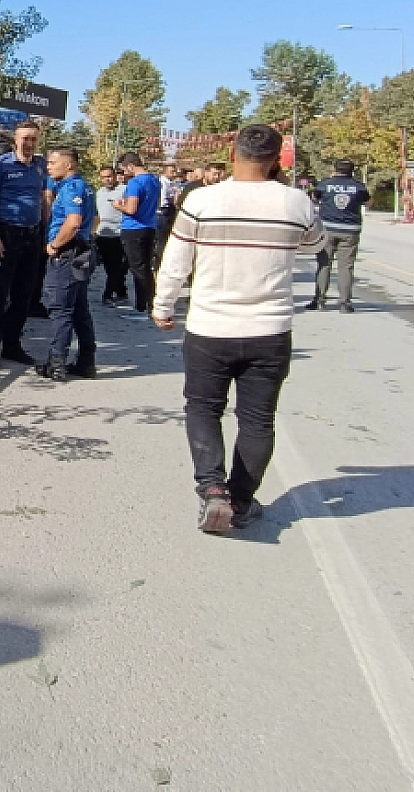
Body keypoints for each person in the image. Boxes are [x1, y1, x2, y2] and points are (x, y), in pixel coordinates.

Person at [153, 124, 324, 533]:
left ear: (232, 153)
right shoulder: (296, 202)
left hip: (210, 326)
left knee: (202, 407)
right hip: (270, 329)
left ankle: (213, 490)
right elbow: (315, 246)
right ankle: (242, 502)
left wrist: (163, 306)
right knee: (258, 420)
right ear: (276, 159)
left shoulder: (202, 201)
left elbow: (176, 261)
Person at [0, 121, 50, 368]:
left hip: (32, 235)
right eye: (25, 138)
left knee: (24, 295)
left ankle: (12, 345)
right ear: (15, 140)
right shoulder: (1, 165)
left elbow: (43, 198)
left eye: (33, 139)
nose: (29, 143)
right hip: (5, 234)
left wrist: (45, 230)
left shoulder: (40, 166)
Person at [39, 147, 97, 380]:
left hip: (67, 254)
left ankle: (56, 363)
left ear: (69, 165)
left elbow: (73, 222)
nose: (49, 166)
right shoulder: (85, 187)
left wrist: (55, 245)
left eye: (53, 162)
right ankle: (86, 362)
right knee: (79, 309)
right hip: (80, 252)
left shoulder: (71, 187)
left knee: (60, 308)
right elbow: (95, 219)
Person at [308, 159, 369, 313]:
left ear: (335, 169)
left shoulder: (325, 184)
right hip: (350, 231)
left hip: (327, 229)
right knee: (346, 267)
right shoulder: (358, 187)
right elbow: (368, 203)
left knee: (324, 264)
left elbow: (314, 198)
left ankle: (320, 300)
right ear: (352, 171)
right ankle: (345, 303)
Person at [113, 152, 162, 313]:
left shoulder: (134, 183)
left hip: (134, 228)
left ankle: (142, 307)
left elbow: (131, 209)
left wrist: (118, 205)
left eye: (124, 170)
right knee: (146, 267)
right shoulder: (155, 180)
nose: (124, 174)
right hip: (150, 225)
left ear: (130, 166)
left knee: (137, 269)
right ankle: (151, 303)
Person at [95, 165, 129, 305]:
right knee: (110, 267)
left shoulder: (124, 190)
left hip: (119, 233)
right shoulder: (99, 192)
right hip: (103, 234)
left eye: (109, 176)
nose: (107, 179)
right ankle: (121, 292)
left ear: (115, 176)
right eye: (104, 177)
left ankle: (108, 295)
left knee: (118, 266)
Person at [154, 163, 183, 265]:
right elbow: (163, 199)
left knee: (165, 239)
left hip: (168, 211)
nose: (174, 174)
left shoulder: (170, 183)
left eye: (175, 171)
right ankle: (157, 263)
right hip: (163, 212)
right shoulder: (162, 183)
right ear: (165, 171)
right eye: (172, 171)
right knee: (161, 240)